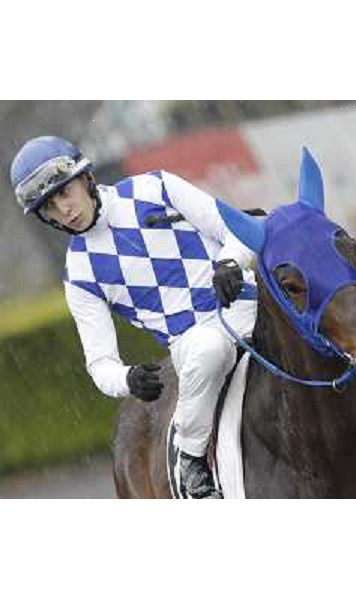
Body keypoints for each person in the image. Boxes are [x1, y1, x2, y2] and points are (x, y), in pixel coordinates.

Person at [10, 136, 257, 499]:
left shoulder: (156, 186)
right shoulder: (79, 275)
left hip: (250, 304)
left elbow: (238, 228)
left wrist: (231, 261)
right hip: (194, 341)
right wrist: (127, 379)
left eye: (65, 193)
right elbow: (100, 364)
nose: (63, 210)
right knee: (209, 350)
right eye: (49, 207)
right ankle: (191, 460)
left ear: (86, 179)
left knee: (338, 297)